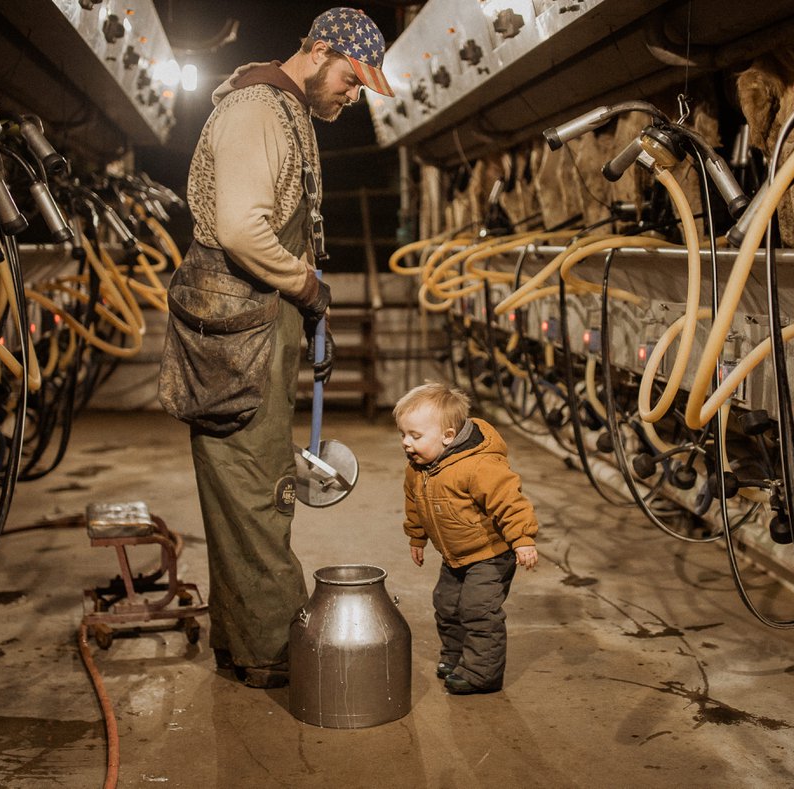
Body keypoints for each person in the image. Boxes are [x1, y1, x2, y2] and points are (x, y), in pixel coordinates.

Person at [158, 8, 393, 689]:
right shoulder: (258, 110)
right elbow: (239, 227)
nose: (353, 98)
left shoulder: (284, 111)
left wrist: (306, 312)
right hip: (238, 332)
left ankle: (243, 642)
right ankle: (271, 647)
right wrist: (307, 286)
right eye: (351, 80)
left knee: (247, 490)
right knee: (261, 491)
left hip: (258, 326)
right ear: (319, 51)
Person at [394, 382, 540, 694]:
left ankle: (481, 673)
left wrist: (523, 539)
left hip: (491, 553)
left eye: (415, 436)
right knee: (447, 605)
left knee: (478, 610)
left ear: (447, 436)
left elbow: (509, 501)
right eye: (403, 434)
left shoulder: (479, 465)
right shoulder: (418, 469)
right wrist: (416, 538)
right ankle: (455, 657)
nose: (406, 443)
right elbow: (414, 505)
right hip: (456, 555)